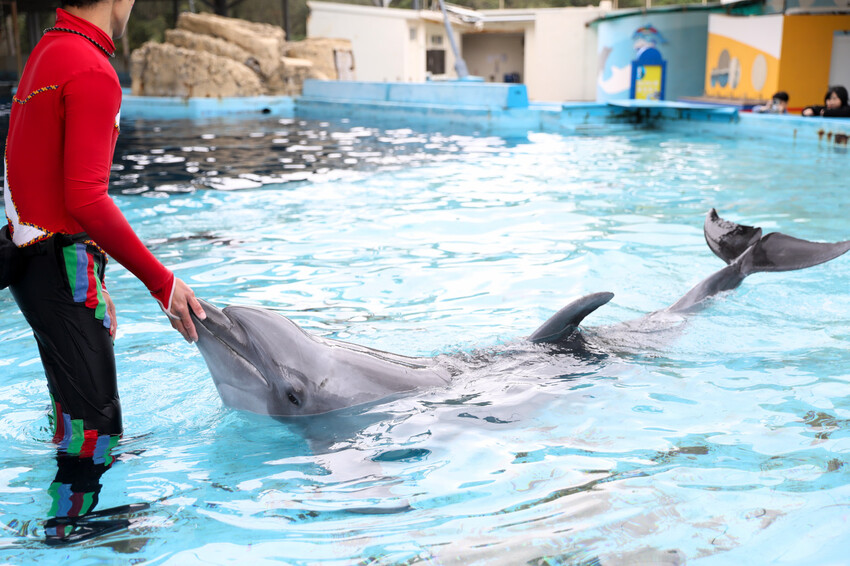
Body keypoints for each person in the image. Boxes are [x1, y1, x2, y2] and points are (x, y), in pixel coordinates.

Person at [4, 0, 205, 449]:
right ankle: (87, 524)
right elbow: (86, 197)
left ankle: (63, 519)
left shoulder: (49, 50)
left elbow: (27, 178)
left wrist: (90, 275)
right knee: (96, 438)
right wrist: (163, 284)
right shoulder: (92, 68)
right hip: (61, 268)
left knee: (72, 424)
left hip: (35, 264)